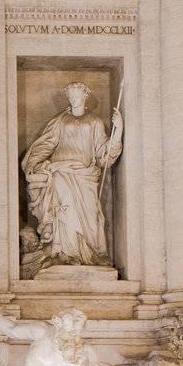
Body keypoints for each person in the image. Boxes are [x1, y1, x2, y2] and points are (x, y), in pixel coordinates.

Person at [22, 81, 123, 267]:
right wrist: (33, 163)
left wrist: (118, 131)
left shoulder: (95, 122)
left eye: (77, 95)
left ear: (86, 96)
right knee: (64, 210)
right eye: (71, 96)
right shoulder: (60, 121)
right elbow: (46, 144)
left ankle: (88, 254)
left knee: (90, 217)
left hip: (86, 176)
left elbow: (104, 155)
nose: (74, 99)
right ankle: (64, 252)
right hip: (61, 172)